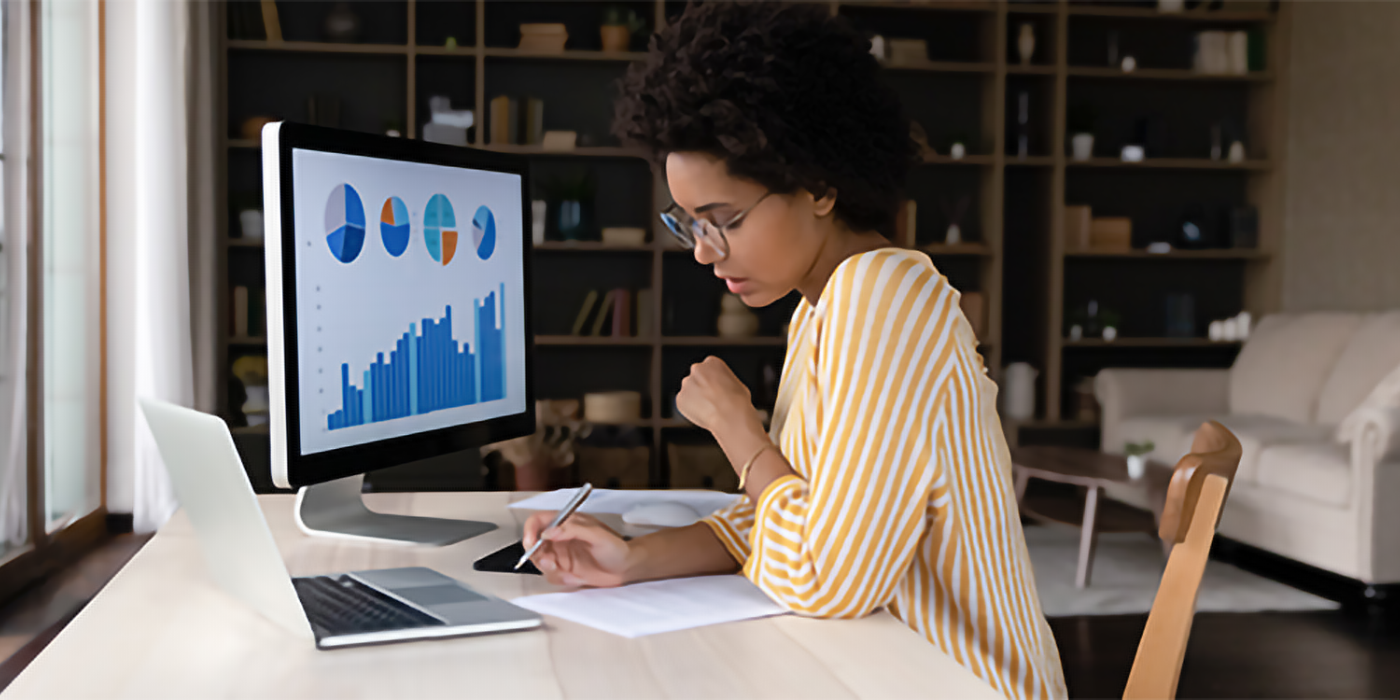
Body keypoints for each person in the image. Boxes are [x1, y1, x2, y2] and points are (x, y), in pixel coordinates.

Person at [522, 2, 1067, 697]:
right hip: (878, 669)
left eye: (724, 220)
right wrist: (632, 560)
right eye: (689, 224)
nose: (704, 252)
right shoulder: (822, 307)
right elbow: (786, 516)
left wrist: (737, 429)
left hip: (959, 682)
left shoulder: (882, 299)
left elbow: (825, 577)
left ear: (819, 186)